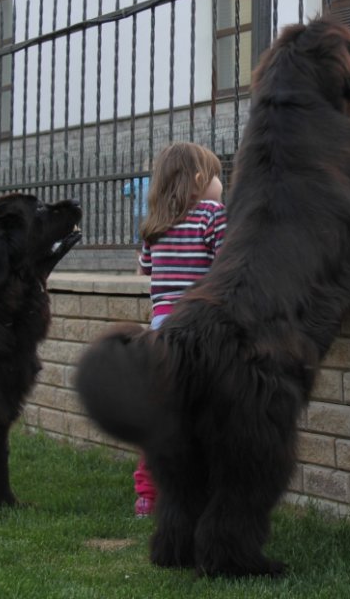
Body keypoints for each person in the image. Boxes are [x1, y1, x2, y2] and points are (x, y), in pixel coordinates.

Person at [133, 142, 227, 516]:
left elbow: (144, 269)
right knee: (206, 414)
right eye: (218, 175)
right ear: (201, 180)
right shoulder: (212, 215)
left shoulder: (154, 224)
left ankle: (147, 495)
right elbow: (227, 265)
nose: (222, 183)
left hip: (161, 335)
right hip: (199, 330)